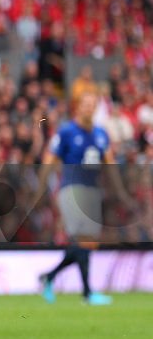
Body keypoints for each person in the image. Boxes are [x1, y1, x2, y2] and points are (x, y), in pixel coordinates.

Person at [38, 91, 126, 305]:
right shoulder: (67, 131)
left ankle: (48, 277)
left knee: (85, 244)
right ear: (78, 107)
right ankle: (87, 294)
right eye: (85, 104)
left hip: (92, 191)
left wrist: (120, 191)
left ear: (95, 108)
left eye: (92, 104)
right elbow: (49, 159)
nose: (88, 108)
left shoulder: (100, 134)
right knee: (84, 240)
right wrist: (40, 189)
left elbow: (110, 165)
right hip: (71, 188)